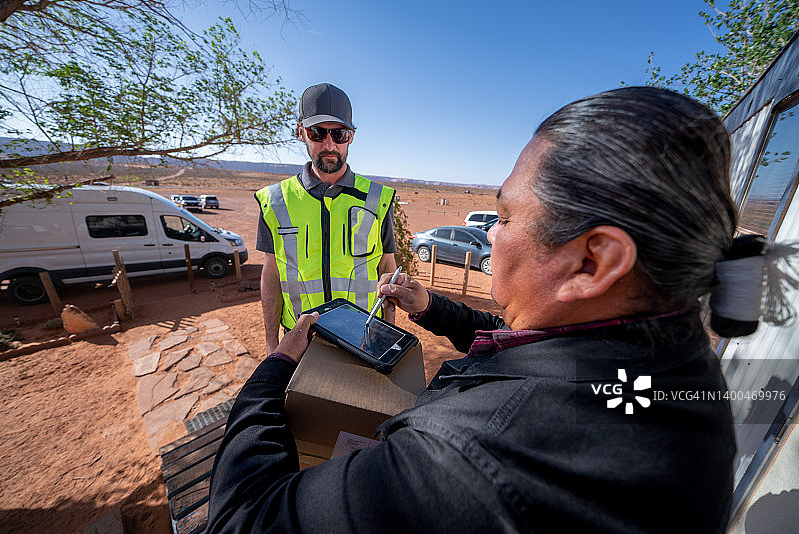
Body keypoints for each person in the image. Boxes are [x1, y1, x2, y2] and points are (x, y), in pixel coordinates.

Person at [207, 87, 797, 533]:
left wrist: (271, 374)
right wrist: (434, 307)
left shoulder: (467, 457)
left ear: (594, 261)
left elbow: (242, 517)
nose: (490, 237)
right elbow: (545, 352)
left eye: (507, 217)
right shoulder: (667, 360)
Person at [255, 83, 397, 354]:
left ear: (351, 136)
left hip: (364, 337)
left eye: (340, 134)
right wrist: (272, 344)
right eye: (317, 133)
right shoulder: (274, 201)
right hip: (299, 341)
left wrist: (388, 335)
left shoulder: (379, 199)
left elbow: (386, 270)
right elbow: (271, 275)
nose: (329, 145)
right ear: (301, 133)